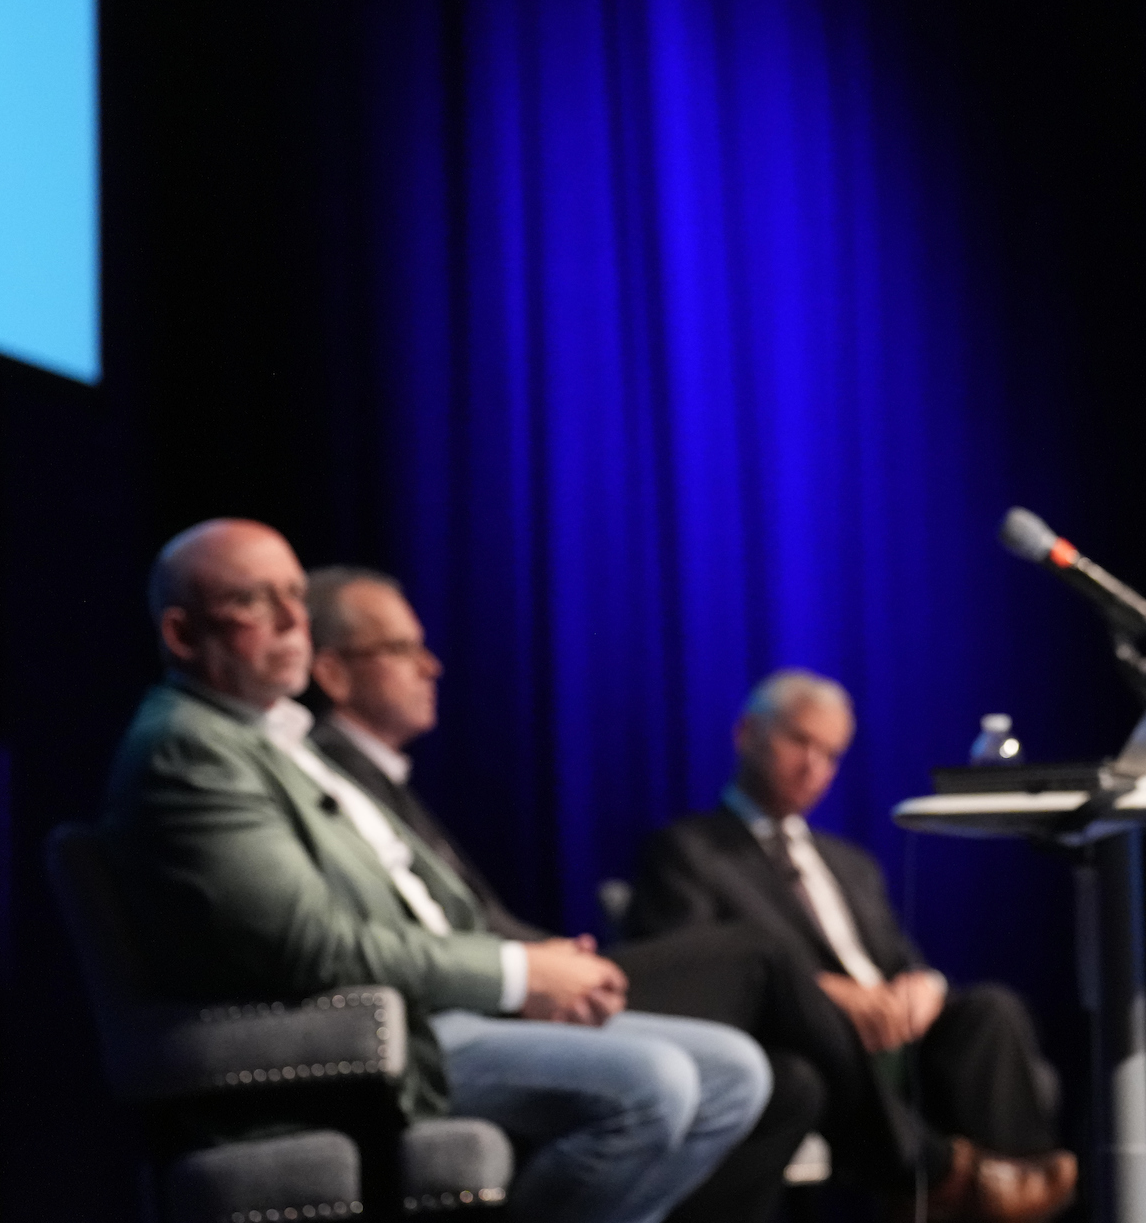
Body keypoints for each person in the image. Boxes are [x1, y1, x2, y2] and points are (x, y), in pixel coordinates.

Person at [103, 518, 772, 1223]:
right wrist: (514, 975)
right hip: (365, 1040)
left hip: (432, 1007)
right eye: (253, 601)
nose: (293, 619)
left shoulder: (274, 738)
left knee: (734, 1071)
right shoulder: (190, 750)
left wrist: (534, 966)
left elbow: (422, 899)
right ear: (181, 636)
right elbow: (313, 948)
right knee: (655, 1084)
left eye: (294, 594)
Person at [299, 563, 825, 1223]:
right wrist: (531, 968)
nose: (430, 665)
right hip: (455, 1005)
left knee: (774, 1075)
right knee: (756, 955)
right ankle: (926, 1161)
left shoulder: (386, 780)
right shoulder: (324, 779)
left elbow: (464, 914)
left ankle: (923, 1156)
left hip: (497, 978)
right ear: (333, 672)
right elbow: (390, 939)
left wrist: (541, 951)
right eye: (401, 649)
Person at [631, 669, 1077, 1223]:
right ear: (747, 734)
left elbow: (897, 957)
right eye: (800, 741)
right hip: (807, 1038)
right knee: (817, 1044)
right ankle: (939, 1173)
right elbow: (702, 970)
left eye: (831, 754)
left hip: (896, 1034)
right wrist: (828, 995)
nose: (814, 766)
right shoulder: (690, 850)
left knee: (990, 1010)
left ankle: (1014, 1190)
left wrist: (922, 987)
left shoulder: (849, 862)